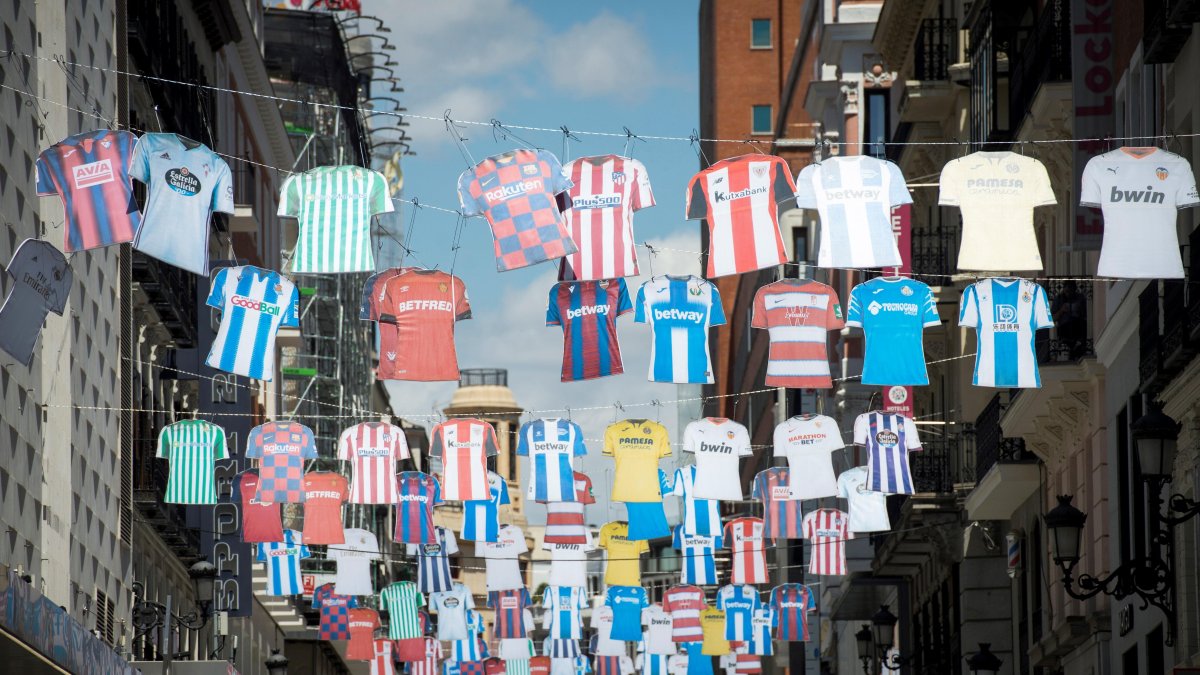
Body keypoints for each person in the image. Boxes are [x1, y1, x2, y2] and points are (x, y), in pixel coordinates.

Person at [1051, 280, 1087, 360]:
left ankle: (1076, 350)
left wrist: (1078, 309)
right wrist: (1061, 310)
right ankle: (1071, 351)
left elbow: (1085, 315)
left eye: (1071, 291)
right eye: (1067, 291)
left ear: (1074, 290)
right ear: (1064, 289)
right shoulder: (1058, 299)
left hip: (1077, 326)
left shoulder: (1080, 298)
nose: (1069, 294)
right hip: (1064, 328)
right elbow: (1052, 319)